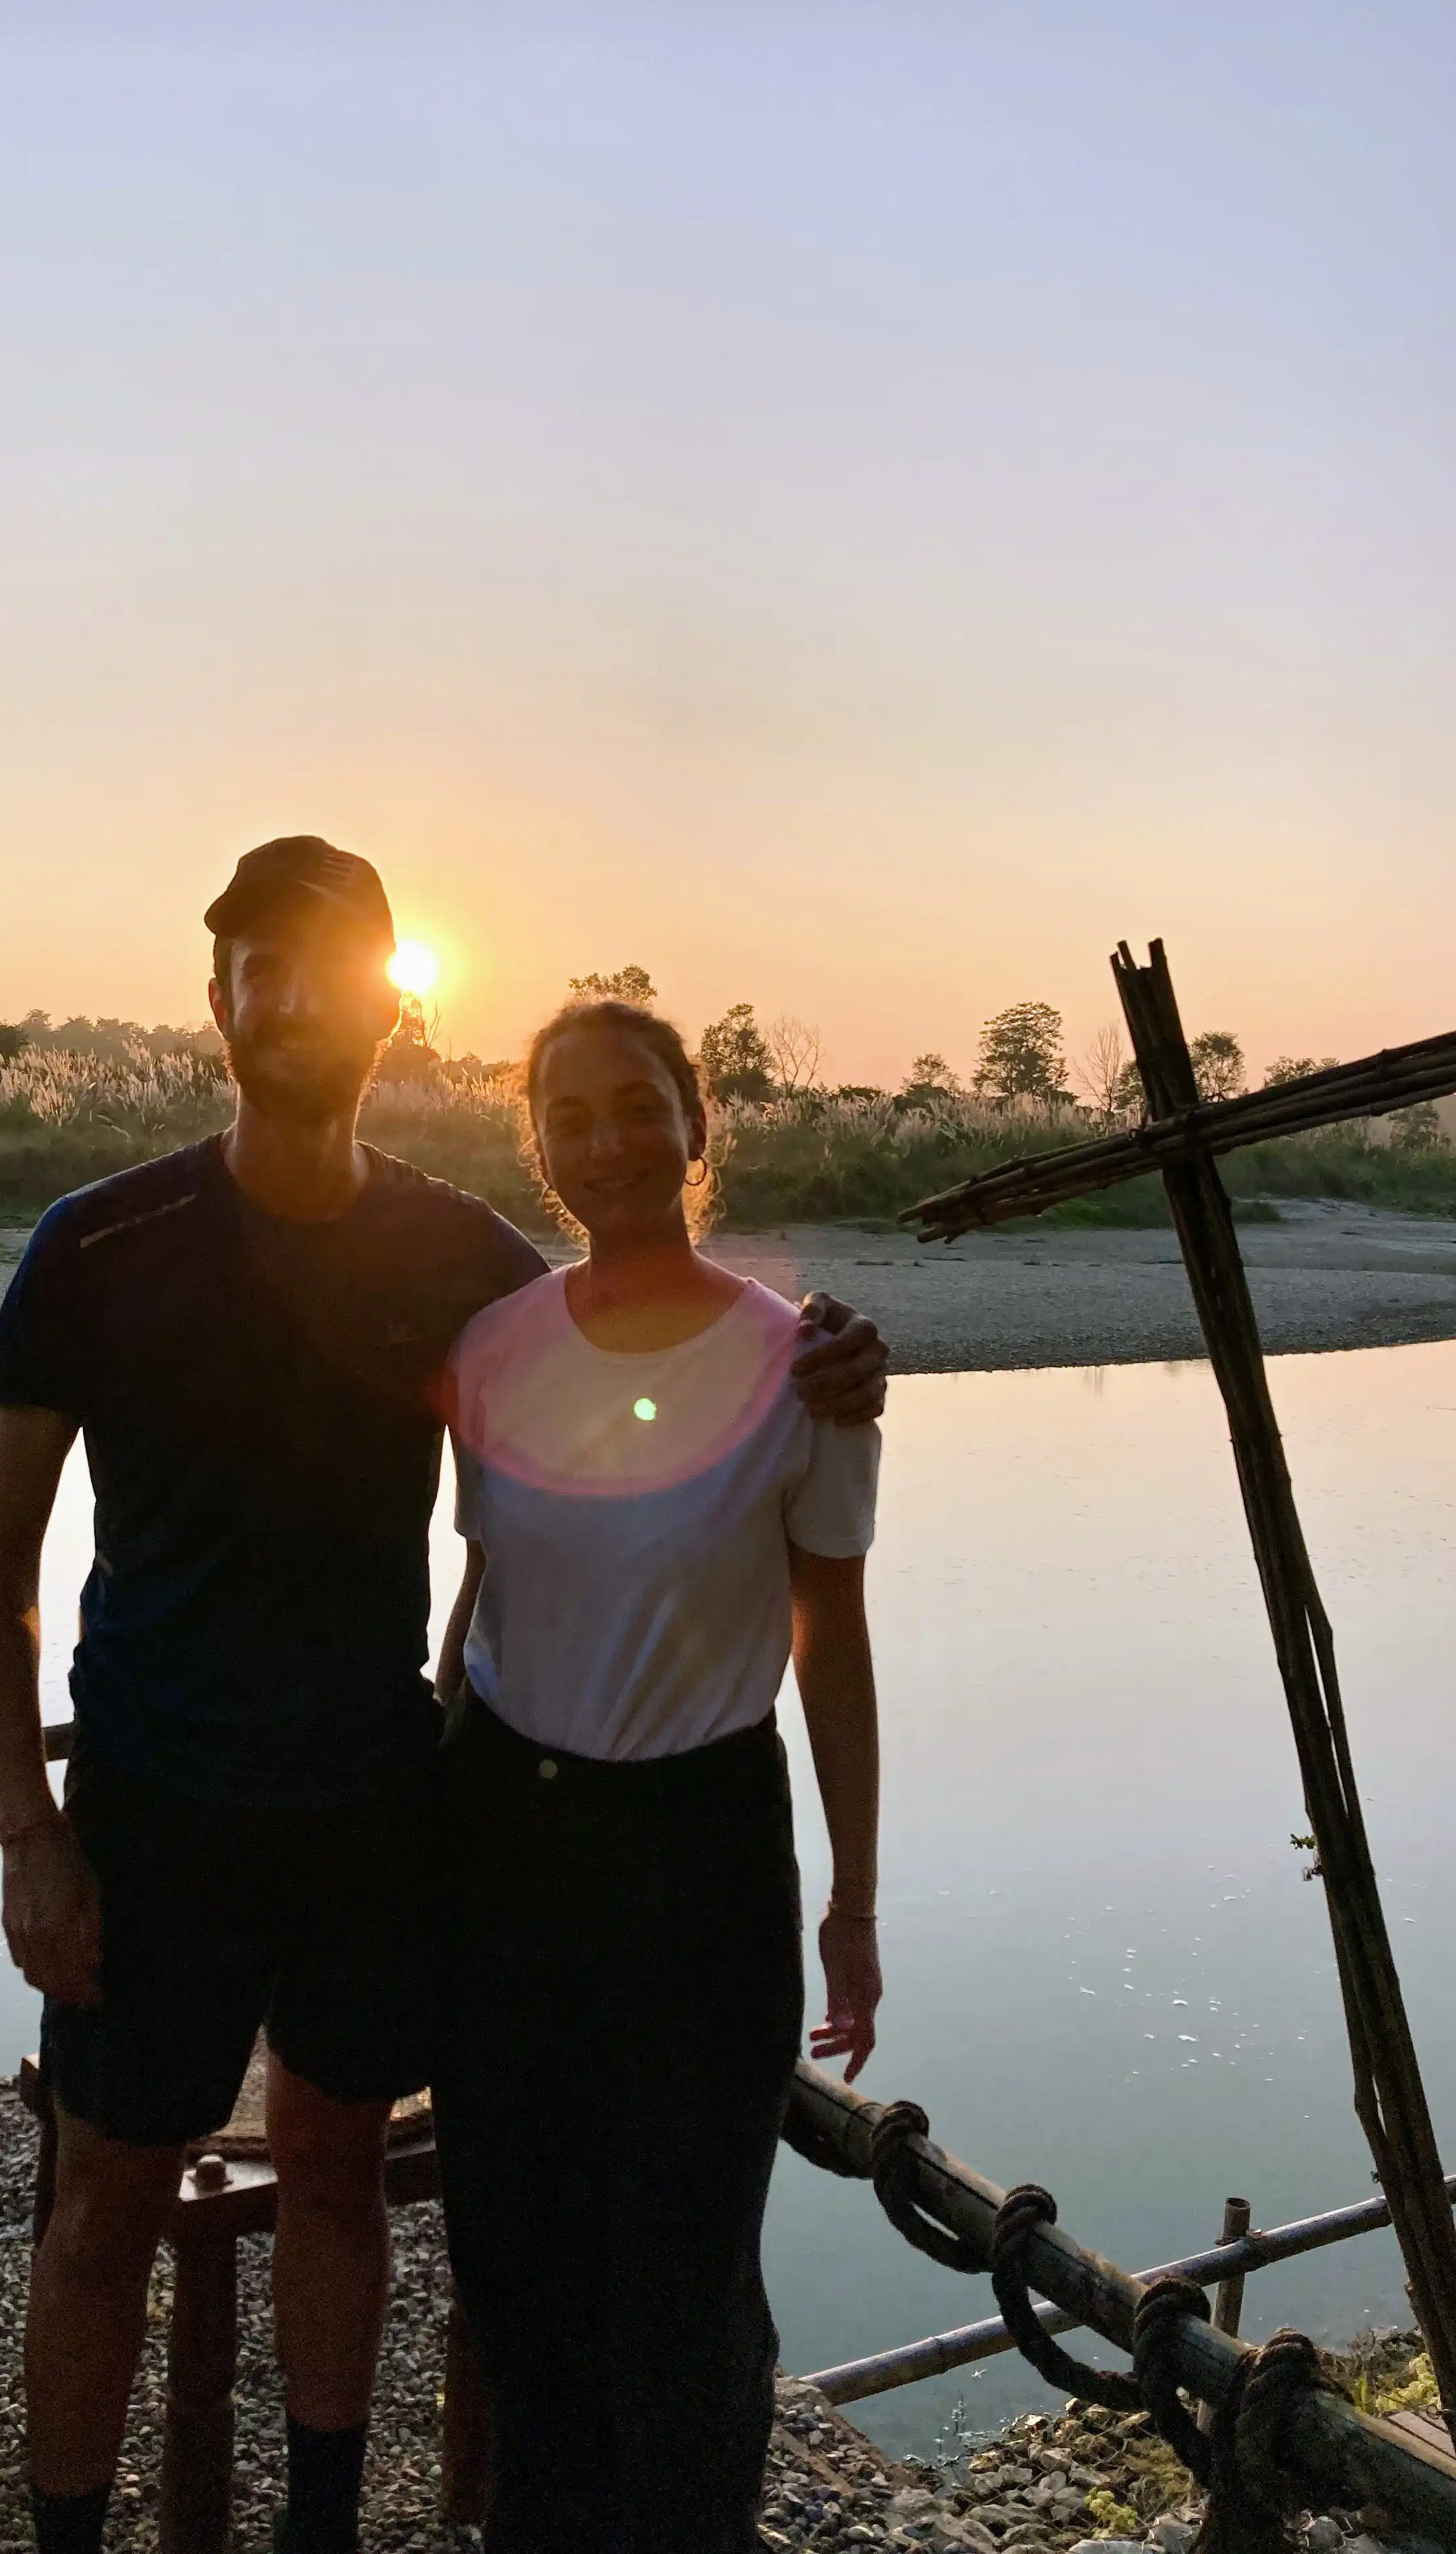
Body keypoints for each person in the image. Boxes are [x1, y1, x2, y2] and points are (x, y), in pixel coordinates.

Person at [0, 839, 890, 2554]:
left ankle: (325, 2531)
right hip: (149, 1811)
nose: (301, 1006)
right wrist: (27, 1828)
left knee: (336, 2171)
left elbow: (648, 1353)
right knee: (100, 2210)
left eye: (339, 975)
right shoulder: (99, 1244)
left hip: (378, 1810)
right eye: (265, 972)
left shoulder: (462, 1259)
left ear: (391, 1011)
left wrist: (831, 1349)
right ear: (219, 998)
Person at [433, 994, 884, 2554]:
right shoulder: (492, 1351)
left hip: (705, 1848)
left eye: (641, 1103)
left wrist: (855, 1904)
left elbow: (835, 1639)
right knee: (516, 2262)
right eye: (572, 1114)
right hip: (510, 1843)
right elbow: (484, 1604)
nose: (611, 1139)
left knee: (688, 2286)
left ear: (698, 1119)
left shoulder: (806, 1369)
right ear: (538, 1147)